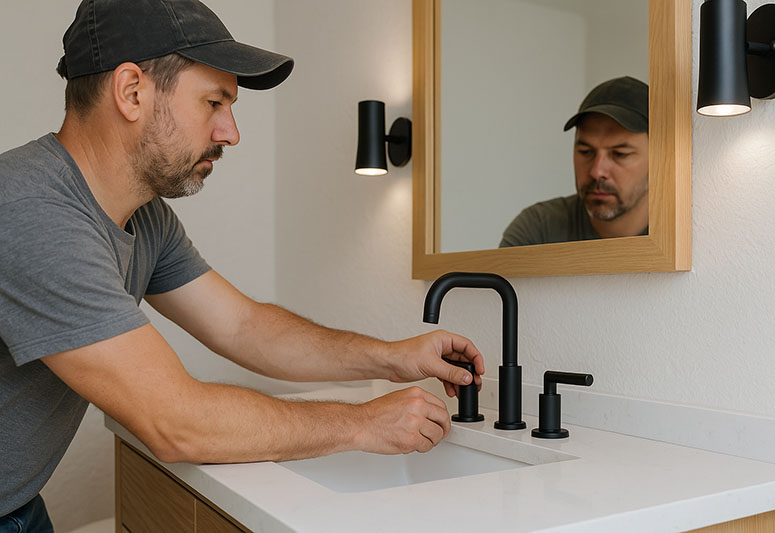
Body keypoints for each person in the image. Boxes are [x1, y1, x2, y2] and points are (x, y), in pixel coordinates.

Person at [0, 0, 484, 528]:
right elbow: (176, 422)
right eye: (214, 102)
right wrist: (362, 423)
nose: (231, 132)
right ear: (132, 91)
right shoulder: (29, 208)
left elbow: (244, 327)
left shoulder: (146, 220)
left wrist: (392, 357)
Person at [499, 76, 649, 247]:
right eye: (586, 152)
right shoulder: (538, 230)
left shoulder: (683, 238)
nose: (597, 171)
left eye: (620, 154)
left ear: (658, 160)